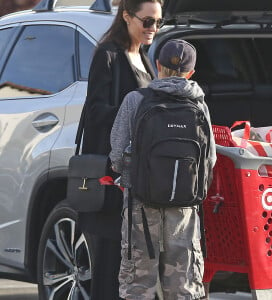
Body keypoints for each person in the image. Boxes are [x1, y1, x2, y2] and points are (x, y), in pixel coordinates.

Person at [110, 39, 216, 300]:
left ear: (157, 66)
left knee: (138, 283)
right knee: (183, 284)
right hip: (184, 207)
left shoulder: (136, 99)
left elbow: (116, 152)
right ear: (191, 72)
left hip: (140, 204)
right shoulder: (199, 105)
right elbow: (209, 159)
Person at [78, 0, 163, 299]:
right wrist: (134, 112)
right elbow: (95, 111)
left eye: (158, 22)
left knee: (131, 257)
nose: (153, 28)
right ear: (126, 16)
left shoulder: (143, 55)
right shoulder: (108, 54)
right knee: (110, 254)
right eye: (148, 21)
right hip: (111, 168)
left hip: (135, 171)